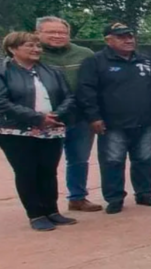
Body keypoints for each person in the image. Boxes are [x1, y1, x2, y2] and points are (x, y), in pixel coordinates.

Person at [77, 23, 151, 214]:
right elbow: (86, 91)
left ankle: (144, 193)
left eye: (130, 36)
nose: (129, 40)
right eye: (122, 37)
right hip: (113, 123)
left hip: (145, 121)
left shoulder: (146, 60)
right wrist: (94, 116)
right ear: (108, 40)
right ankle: (114, 198)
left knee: (144, 159)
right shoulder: (96, 61)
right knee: (113, 161)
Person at [0, 32, 78, 231]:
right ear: (12, 48)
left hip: (51, 129)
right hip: (17, 131)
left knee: (48, 171)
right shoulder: (4, 71)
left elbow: (68, 97)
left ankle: (52, 211)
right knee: (27, 172)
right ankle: (35, 214)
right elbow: (3, 102)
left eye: (37, 46)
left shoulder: (52, 71)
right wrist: (37, 117)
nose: (36, 50)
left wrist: (56, 115)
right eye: (29, 46)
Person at [35, 16, 101, 212]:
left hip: (80, 117)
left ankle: (77, 197)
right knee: (45, 163)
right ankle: (44, 203)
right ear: (38, 33)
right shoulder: (33, 54)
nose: (57, 36)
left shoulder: (85, 54)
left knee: (79, 159)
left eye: (62, 32)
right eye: (51, 32)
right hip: (46, 119)